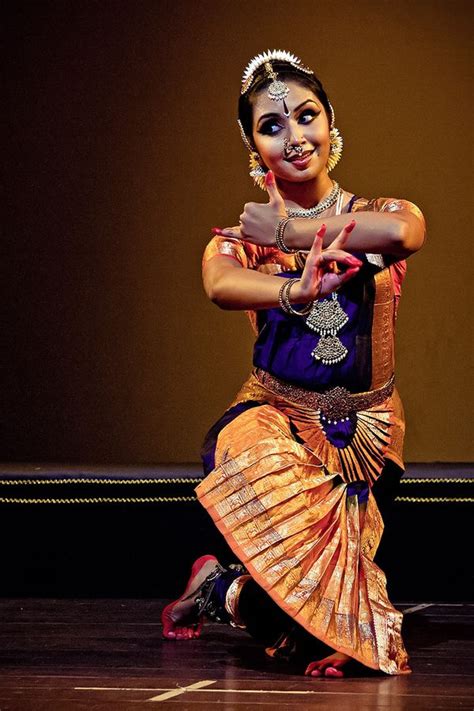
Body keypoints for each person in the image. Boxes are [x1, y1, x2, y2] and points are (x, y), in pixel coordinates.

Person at [162, 50, 425, 678]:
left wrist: (288, 234)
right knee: (326, 634)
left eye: (306, 116)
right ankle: (251, 595)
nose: (295, 136)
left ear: (332, 124)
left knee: (345, 638)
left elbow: (405, 233)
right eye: (272, 126)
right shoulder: (240, 235)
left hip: (367, 435)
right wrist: (290, 289)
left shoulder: (379, 215)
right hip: (276, 424)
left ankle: (221, 588)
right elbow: (219, 281)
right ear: (255, 147)